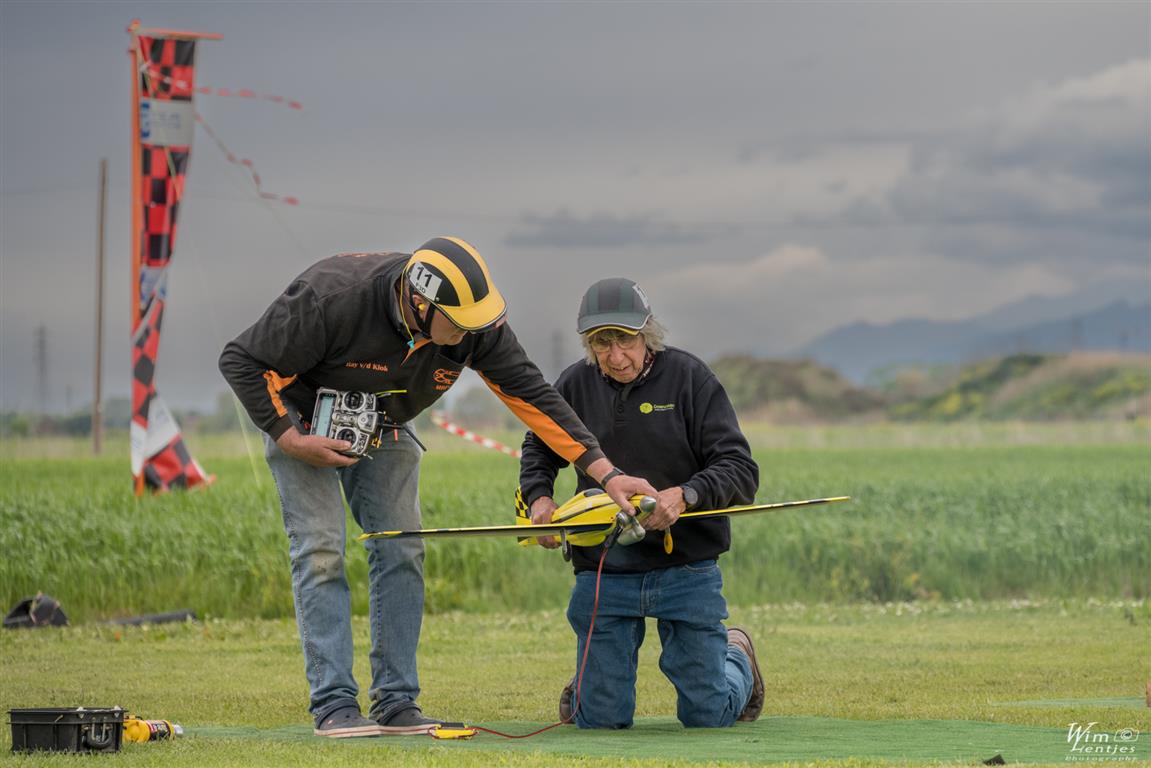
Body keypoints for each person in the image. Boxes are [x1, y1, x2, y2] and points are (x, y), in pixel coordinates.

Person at [219, 239, 656, 738]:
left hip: (385, 425)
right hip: (300, 421)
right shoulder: (330, 299)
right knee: (321, 551)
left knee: (402, 549)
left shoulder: (477, 327)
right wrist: (289, 437)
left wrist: (607, 472)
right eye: (461, 323)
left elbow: (533, 397)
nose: (474, 332)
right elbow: (241, 360)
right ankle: (334, 704)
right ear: (419, 303)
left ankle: (396, 702)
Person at [518, 277, 764, 730]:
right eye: (601, 343)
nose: (615, 357)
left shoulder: (691, 379)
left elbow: (740, 470)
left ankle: (736, 656)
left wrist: (686, 495)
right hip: (604, 569)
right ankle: (592, 688)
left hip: (687, 568)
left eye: (625, 341)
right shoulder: (573, 385)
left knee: (708, 717)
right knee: (599, 722)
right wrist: (539, 500)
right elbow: (538, 449)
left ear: (647, 333)